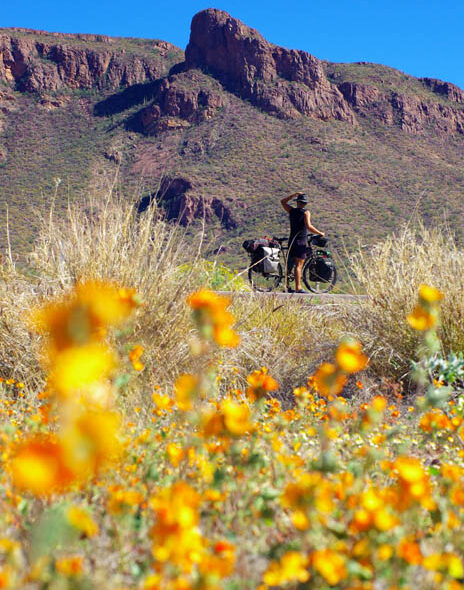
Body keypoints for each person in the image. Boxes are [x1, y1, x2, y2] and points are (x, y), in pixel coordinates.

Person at [280, 191, 325, 293]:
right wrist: (320, 233)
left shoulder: (291, 211)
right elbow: (309, 226)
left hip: (292, 240)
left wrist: (293, 195)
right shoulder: (306, 212)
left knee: (289, 265)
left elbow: (282, 202)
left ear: (297, 202)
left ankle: (286, 287)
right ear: (305, 203)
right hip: (301, 241)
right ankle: (298, 287)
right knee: (299, 265)